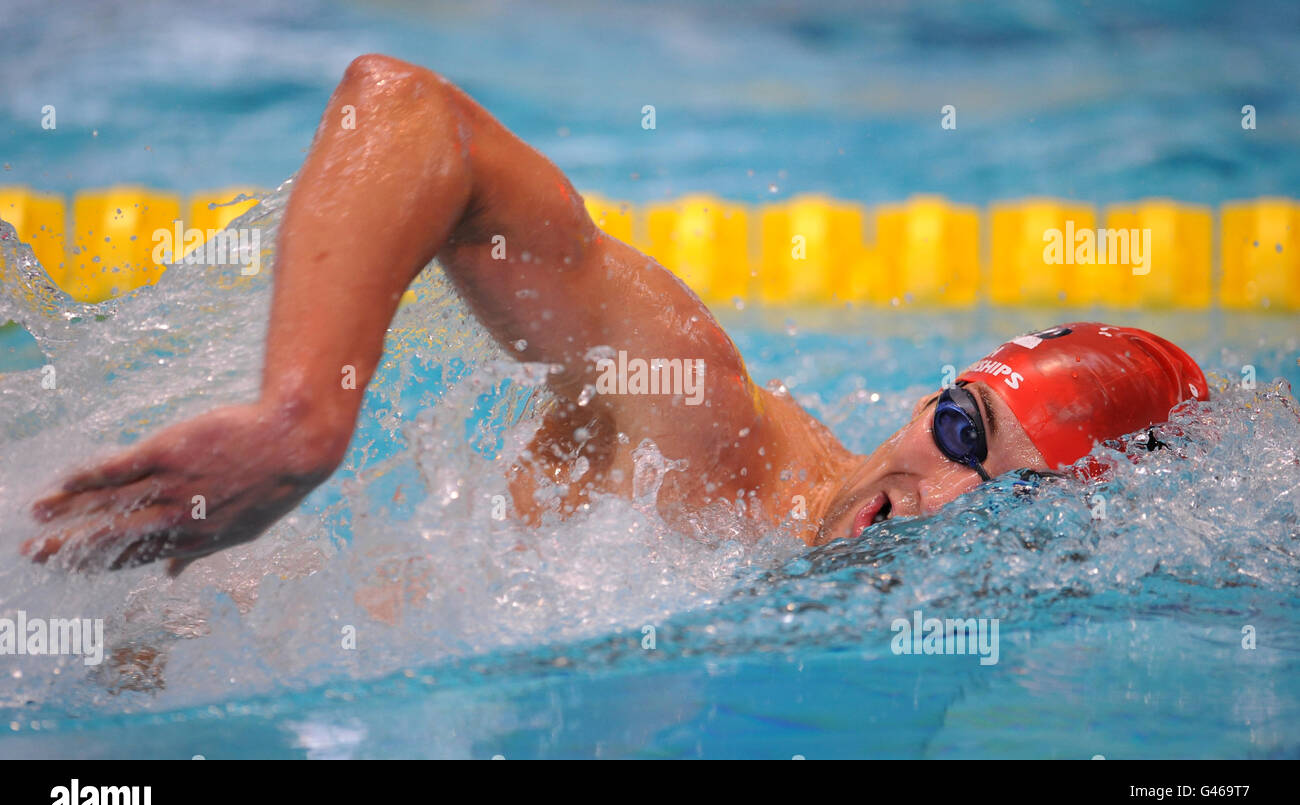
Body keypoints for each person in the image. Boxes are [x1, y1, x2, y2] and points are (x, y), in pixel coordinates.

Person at [22, 55, 1208, 573]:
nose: (942, 503)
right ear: (924, 399)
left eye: (1014, 503)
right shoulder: (717, 449)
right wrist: (301, 421)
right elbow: (413, 114)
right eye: (962, 432)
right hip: (127, 595)